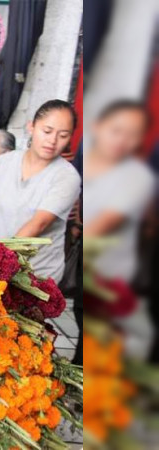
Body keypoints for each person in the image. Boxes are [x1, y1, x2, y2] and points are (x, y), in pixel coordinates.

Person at [0, 100, 82, 282]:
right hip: (1, 266)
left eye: (63, 135)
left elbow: (39, 223)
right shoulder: (4, 162)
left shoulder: (67, 177)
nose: (52, 141)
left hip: (37, 274)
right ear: (31, 127)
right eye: (47, 131)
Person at [84, 101, 155, 360]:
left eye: (134, 135)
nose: (123, 141)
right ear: (97, 126)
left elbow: (100, 225)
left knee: (107, 357)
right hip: (84, 279)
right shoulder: (81, 162)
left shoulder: (137, 177)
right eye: (116, 130)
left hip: (111, 286)